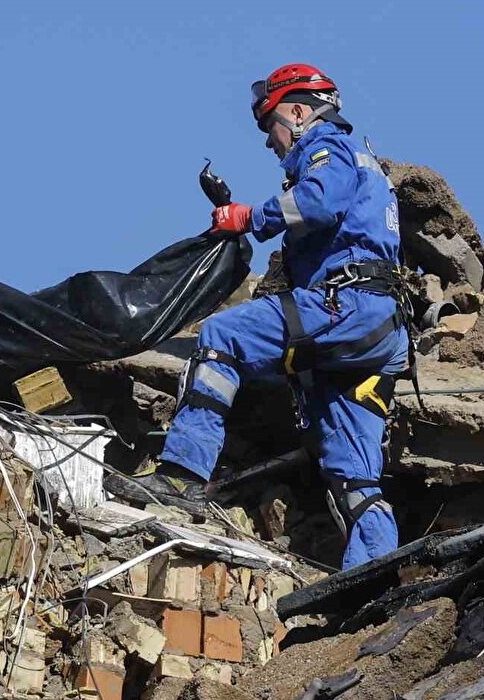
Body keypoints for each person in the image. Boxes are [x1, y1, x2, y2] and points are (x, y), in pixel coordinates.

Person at [106, 63, 409, 570]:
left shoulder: (326, 147)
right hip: (378, 330)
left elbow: (318, 201)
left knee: (223, 335)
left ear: (298, 113)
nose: (271, 142)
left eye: (272, 126)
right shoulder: (366, 160)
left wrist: (248, 217)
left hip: (345, 307)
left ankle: (181, 476)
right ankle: (377, 571)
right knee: (353, 469)